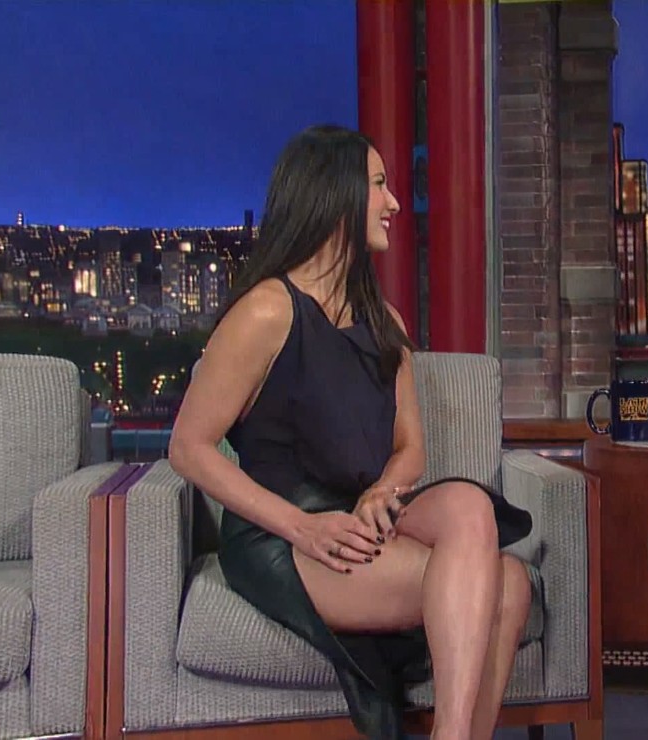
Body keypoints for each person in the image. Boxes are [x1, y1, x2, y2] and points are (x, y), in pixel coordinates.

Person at [168, 124, 533, 740]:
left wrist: (381, 493)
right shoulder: (267, 310)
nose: (394, 202)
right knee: (506, 585)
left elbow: (410, 449)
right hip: (284, 535)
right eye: (380, 185)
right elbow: (187, 448)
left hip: (361, 518)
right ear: (336, 196)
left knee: (475, 512)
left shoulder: (384, 322)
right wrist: (302, 526)